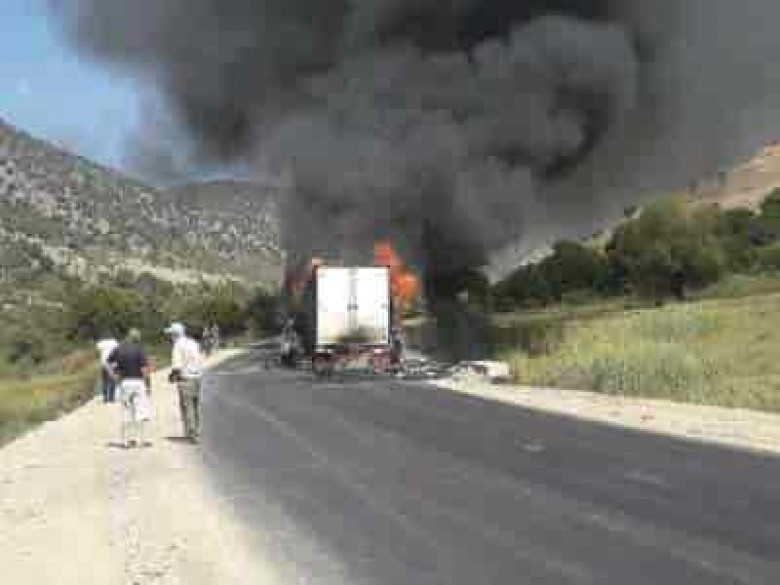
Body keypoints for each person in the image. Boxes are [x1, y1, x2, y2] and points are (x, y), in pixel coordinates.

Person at [107, 329, 154, 448]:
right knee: (141, 411)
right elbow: (144, 370)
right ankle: (141, 440)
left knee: (126, 411)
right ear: (136, 338)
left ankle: (125, 441)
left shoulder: (118, 349)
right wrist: (148, 385)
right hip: (138, 382)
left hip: (124, 382)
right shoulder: (140, 349)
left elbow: (107, 362)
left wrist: (113, 375)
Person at [165, 322, 205, 442]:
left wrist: (172, 376)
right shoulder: (193, 343)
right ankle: (197, 431)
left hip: (185, 378)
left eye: (171, 334)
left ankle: (191, 434)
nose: (170, 337)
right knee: (195, 406)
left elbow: (177, 366)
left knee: (187, 407)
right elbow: (200, 359)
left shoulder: (178, 345)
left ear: (175, 334)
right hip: (197, 377)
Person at [96, 336, 119, 403]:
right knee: (113, 381)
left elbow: (98, 350)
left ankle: (105, 398)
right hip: (113, 364)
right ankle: (111, 398)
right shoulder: (115, 343)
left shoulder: (101, 343)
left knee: (105, 381)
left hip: (104, 364)